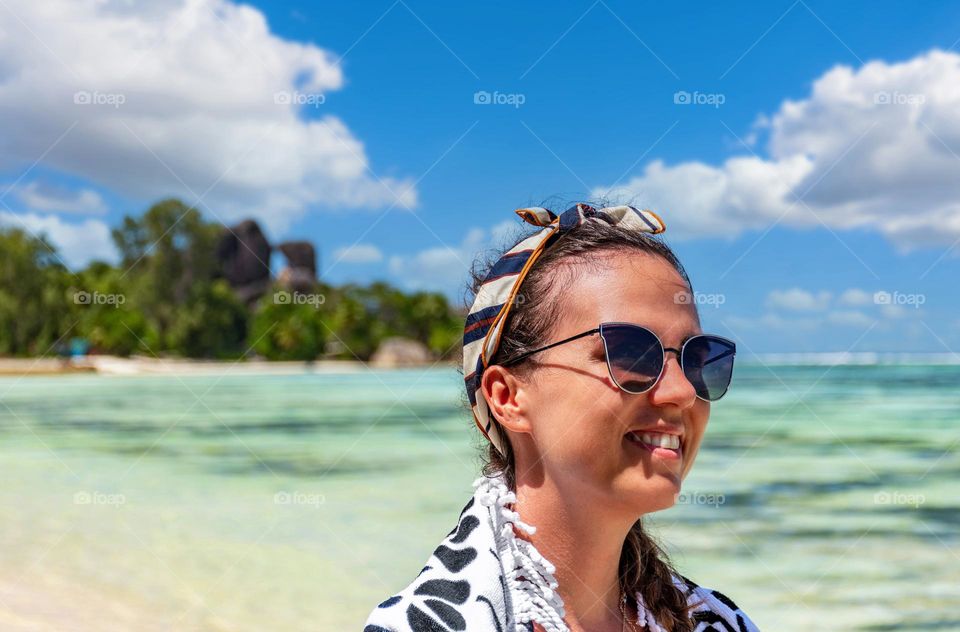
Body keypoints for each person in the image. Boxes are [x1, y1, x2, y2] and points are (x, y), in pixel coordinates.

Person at [364, 203, 760, 631]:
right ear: (508, 397)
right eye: (629, 351)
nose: (682, 391)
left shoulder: (716, 622)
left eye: (698, 358)